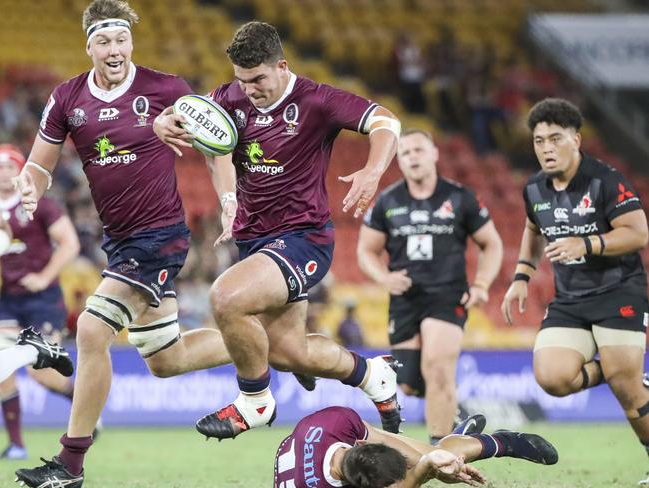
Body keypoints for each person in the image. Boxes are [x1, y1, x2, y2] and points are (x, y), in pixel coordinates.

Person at [13, 1, 233, 486]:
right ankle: (268, 346)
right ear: (88, 45)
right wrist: (30, 184)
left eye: (120, 40)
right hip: (120, 241)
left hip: (160, 236)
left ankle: (70, 465)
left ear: (131, 41)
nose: (114, 50)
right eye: (103, 42)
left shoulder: (166, 88)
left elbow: (218, 147)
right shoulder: (68, 98)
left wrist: (229, 198)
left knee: (92, 331)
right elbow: (40, 165)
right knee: (166, 359)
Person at [154, 21, 402, 441]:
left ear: (282, 66)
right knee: (290, 353)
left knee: (226, 298)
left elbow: (387, 122)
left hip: (305, 237)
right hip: (254, 241)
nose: (248, 89)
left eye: (257, 79)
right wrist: (163, 123)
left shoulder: (317, 100)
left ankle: (255, 402)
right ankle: (373, 374)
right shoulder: (231, 96)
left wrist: (373, 170)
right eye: (241, 79)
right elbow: (192, 124)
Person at [501, 98, 649, 484]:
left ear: (576, 139)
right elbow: (533, 229)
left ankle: (629, 380)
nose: (546, 148)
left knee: (627, 391)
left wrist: (588, 244)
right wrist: (521, 276)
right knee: (551, 377)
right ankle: (627, 370)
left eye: (555, 138)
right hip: (570, 299)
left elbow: (638, 233)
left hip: (619, 290)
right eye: (538, 141)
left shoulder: (606, 181)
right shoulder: (534, 188)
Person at [357, 129, 503, 444]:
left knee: (436, 364)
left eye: (419, 150)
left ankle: (441, 449)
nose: (413, 157)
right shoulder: (388, 201)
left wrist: (481, 284)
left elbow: (491, 244)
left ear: (435, 153)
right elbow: (365, 250)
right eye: (406, 153)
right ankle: (451, 405)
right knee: (408, 382)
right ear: (399, 161)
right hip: (405, 299)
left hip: (447, 295)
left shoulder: (461, 197)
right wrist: (383, 278)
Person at [0, 144, 80, 460]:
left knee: (41, 372)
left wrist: (45, 277)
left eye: (9, 166)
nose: (3, 172)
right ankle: (17, 444)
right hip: (6, 300)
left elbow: (70, 244)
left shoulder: (39, 204)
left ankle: (84, 405)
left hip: (43, 299)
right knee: (2, 370)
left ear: (21, 170)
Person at [274, 406, 558, 488]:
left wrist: (430, 461)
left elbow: (384, 441)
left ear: (358, 444)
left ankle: (502, 442)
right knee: (427, 461)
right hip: (308, 450)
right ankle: (463, 440)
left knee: (428, 456)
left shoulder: (338, 420)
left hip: (315, 440)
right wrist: (425, 467)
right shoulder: (336, 419)